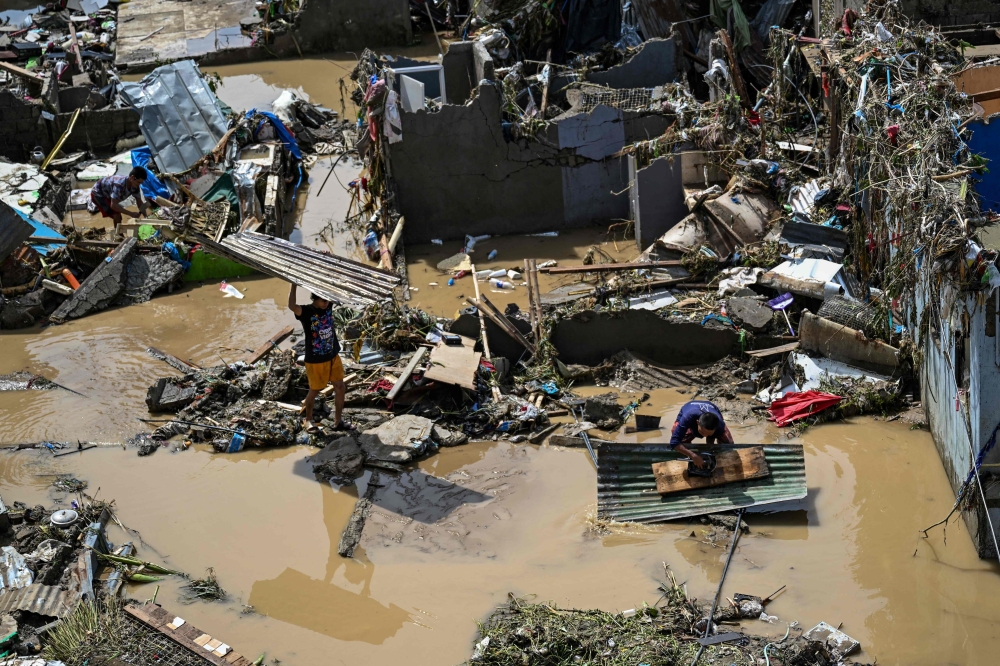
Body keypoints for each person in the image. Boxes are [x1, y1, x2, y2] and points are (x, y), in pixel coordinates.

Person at [288, 283, 349, 432]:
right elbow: (291, 306)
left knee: (340, 387)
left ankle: (338, 421)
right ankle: (308, 419)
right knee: (315, 390)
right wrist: (294, 285)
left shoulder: (328, 305)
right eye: (323, 301)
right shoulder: (306, 311)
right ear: (315, 298)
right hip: (315, 359)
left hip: (333, 355)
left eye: (328, 301)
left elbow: (339, 290)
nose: (326, 304)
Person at [668, 400, 734, 468]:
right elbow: (674, 442)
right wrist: (693, 455)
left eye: (708, 434)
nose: (704, 436)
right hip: (689, 407)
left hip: (712, 407)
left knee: (729, 446)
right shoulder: (688, 417)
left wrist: (710, 449)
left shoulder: (719, 425)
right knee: (677, 434)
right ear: (698, 423)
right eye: (702, 432)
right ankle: (688, 455)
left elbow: (714, 436)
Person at [88, 167, 151, 236]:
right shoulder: (119, 185)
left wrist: (146, 217)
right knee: (117, 215)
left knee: (118, 215)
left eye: (141, 183)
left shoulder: (135, 186)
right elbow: (113, 205)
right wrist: (131, 213)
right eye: (138, 182)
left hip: (109, 193)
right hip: (98, 194)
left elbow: (139, 202)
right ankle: (118, 236)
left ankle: (118, 233)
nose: (139, 185)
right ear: (132, 178)